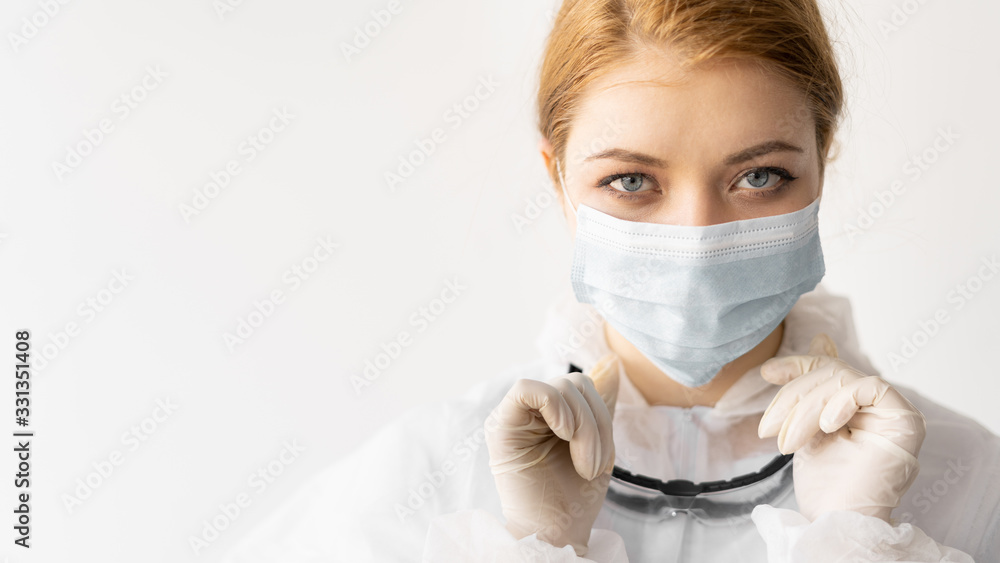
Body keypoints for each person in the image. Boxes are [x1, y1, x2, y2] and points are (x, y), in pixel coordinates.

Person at [222, 0, 1000, 561]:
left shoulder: (970, 483)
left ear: (821, 165)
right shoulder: (422, 483)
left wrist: (858, 541)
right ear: (558, 182)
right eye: (632, 182)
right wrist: (533, 549)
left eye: (760, 175)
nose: (696, 238)